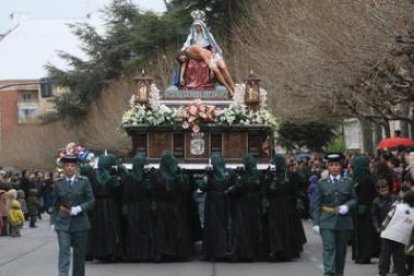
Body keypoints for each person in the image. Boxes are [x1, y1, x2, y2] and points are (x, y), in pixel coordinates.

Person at [312, 153, 356, 276]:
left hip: (343, 221)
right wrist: (316, 222)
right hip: (327, 220)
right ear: (328, 167)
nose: (334, 168)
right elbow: (317, 204)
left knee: (341, 251)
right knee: (329, 248)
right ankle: (328, 273)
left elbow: (354, 199)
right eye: (331, 165)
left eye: (336, 165)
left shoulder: (348, 182)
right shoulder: (322, 183)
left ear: (341, 167)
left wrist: (347, 206)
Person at [51, 155, 95, 276]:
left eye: (72, 166)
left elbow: (91, 201)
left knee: (79, 255)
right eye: (67, 166)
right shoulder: (58, 183)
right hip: (63, 222)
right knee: (64, 250)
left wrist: (80, 208)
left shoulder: (84, 182)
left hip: (80, 222)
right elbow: (55, 204)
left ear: (76, 168)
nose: (69, 168)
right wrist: (53, 221)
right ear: (64, 168)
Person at [181, 10, 235, 96]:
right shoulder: (191, 37)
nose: (197, 28)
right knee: (215, 69)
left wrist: (213, 53)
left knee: (223, 66)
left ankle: (233, 87)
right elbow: (185, 48)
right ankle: (229, 89)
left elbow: (214, 46)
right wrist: (186, 51)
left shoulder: (208, 35)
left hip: (211, 53)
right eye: (195, 26)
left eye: (198, 26)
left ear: (202, 26)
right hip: (199, 55)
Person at [263, 154, 306, 261]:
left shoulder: (291, 175)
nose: (278, 164)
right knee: (274, 227)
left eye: (279, 161)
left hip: (287, 205)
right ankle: (276, 250)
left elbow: (296, 190)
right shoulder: (271, 175)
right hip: (274, 204)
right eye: (276, 162)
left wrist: (298, 201)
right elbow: (265, 190)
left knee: (287, 227)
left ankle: (287, 251)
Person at [200, 152, 233, 261]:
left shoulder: (228, 173)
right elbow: (203, 187)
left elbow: (233, 185)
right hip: (212, 204)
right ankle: (211, 253)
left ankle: (222, 252)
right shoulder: (210, 174)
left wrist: (229, 191)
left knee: (223, 227)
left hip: (224, 202)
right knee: (211, 227)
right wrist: (206, 175)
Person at [123, 154, 154, 261]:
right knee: (139, 230)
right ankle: (141, 254)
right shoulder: (136, 177)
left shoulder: (133, 177)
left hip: (137, 207)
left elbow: (126, 195)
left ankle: (139, 254)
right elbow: (126, 194)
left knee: (139, 230)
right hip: (139, 206)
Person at [378, 191, 414, 276]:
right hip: (402, 238)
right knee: (399, 258)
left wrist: (382, 228)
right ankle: (401, 273)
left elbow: (388, 217)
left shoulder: (397, 207)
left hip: (389, 235)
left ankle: (382, 273)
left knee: (385, 255)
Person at [351, 155, 377, 264]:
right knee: (360, 233)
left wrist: (361, 206)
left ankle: (364, 255)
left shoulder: (365, 177)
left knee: (364, 234)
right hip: (360, 209)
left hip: (365, 211)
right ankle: (360, 254)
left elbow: (366, 194)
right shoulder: (361, 176)